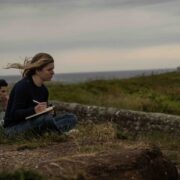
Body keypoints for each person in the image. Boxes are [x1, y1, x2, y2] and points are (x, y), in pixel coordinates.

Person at [4, 52, 77, 136]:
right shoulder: (23, 86)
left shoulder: (44, 90)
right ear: (38, 70)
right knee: (45, 120)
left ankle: (51, 132)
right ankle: (57, 132)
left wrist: (49, 111)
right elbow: (14, 114)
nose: (53, 72)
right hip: (13, 128)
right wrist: (34, 110)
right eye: (49, 70)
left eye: (52, 69)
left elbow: (42, 115)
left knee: (71, 118)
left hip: (36, 123)